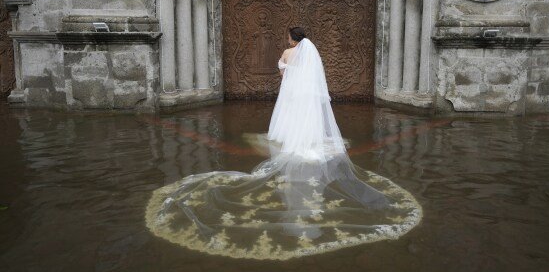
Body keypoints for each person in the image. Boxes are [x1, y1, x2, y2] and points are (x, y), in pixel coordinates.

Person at [145, 27, 422, 261]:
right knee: (305, 118)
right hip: (307, 96)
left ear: (293, 39)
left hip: (291, 94)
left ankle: (291, 140)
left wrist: (288, 74)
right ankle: (307, 139)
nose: (287, 39)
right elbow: (312, 78)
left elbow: (284, 75)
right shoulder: (311, 55)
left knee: (289, 119)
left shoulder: (289, 54)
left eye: (289, 36)